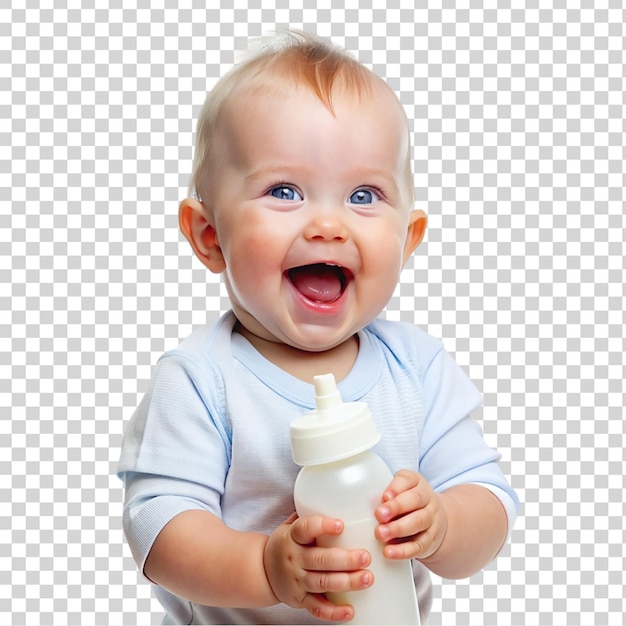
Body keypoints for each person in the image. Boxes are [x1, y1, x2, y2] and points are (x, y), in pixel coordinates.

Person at [118, 30, 518, 625]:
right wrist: (266, 568)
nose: (329, 224)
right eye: (285, 191)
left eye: (364, 195)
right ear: (209, 237)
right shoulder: (201, 380)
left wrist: (445, 523)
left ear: (407, 241)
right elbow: (158, 532)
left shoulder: (418, 369)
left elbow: (488, 501)